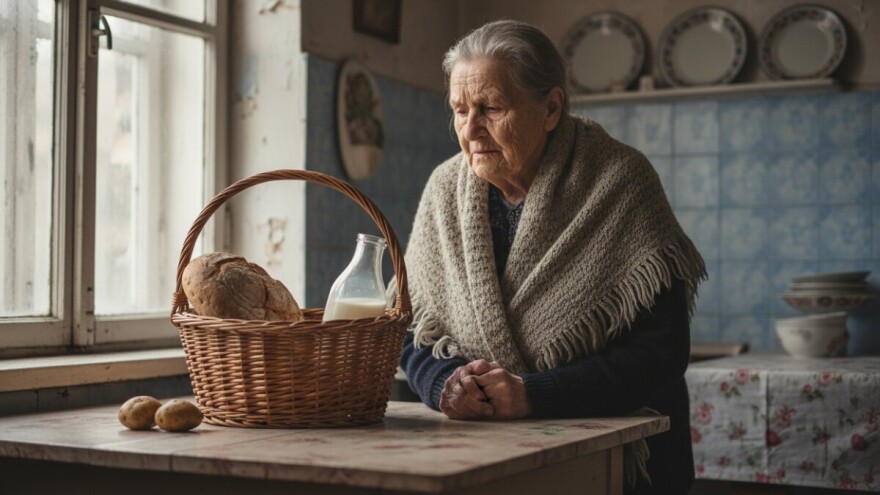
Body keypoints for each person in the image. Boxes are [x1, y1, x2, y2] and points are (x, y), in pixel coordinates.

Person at [396, 19, 706, 495]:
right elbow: (409, 331)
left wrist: (531, 395)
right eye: (459, 110)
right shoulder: (443, 189)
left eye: (491, 107)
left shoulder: (620, 180)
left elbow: (661, 352)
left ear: (551, 108)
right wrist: (443, 385)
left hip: (621, 459)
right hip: (484, 453)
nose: (471, 128)